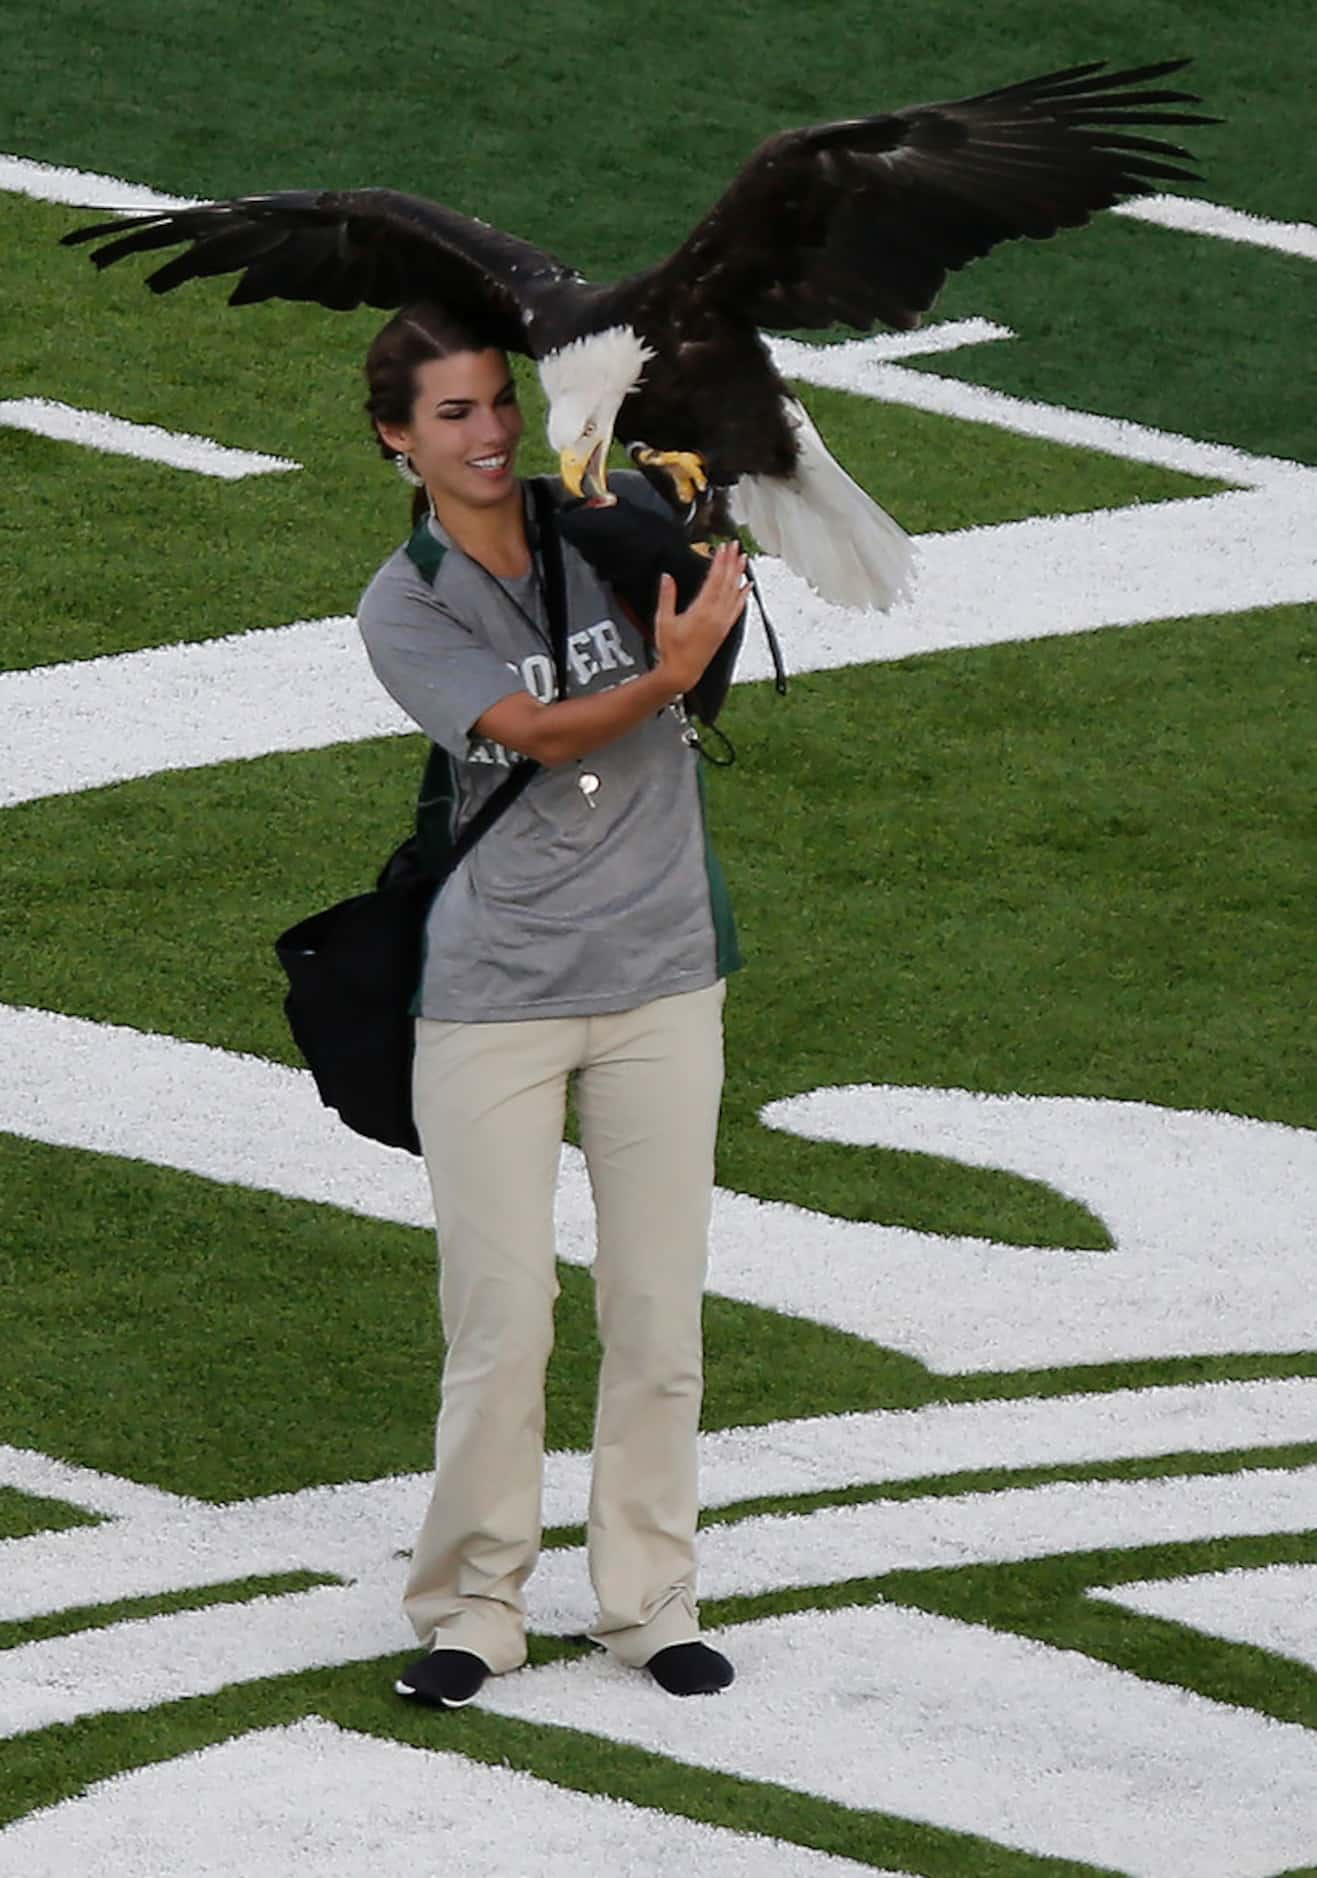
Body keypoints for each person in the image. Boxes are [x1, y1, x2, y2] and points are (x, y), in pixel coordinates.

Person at [356, 304, 748, 1708]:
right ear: (396, 438)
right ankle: (475, 1608)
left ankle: (649, 1598)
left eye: (496, 405)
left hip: (658, 975)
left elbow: (723, 566)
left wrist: (716, 568)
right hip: (495, 995)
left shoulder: (612, 510)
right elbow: (538, 732)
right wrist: (672, 672)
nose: (488, 433)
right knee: (502, 1317)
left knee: (656, 1313)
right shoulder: (402, 606)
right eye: (451, 414)